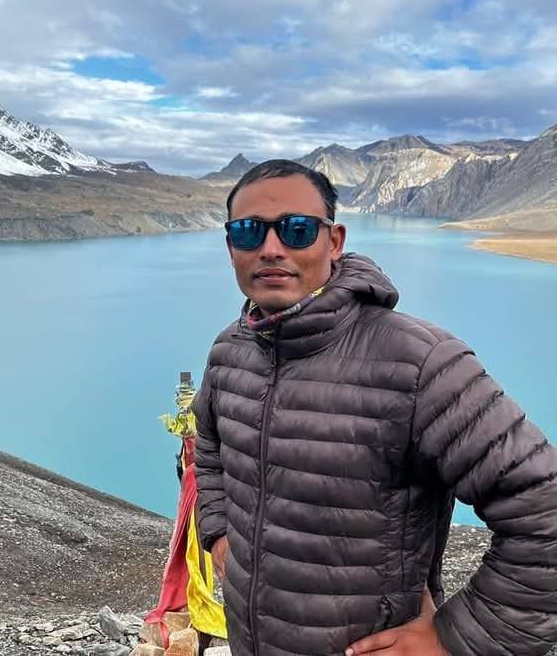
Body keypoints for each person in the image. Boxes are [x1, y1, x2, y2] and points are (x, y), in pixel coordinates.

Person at [193, 159, 557, 656]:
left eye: (297, 230)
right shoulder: (230, 351)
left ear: (334, 241)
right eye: (249, 231)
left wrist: (454, 640)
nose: (271, 248)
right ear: (230, 246)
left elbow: (544, 509)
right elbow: (208, 441)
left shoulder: (418, 362)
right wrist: (217, 529)